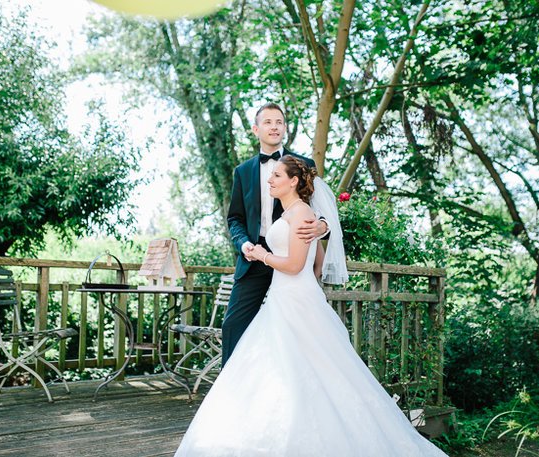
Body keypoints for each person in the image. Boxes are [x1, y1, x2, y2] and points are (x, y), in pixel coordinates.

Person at [173, 155, 448, 456]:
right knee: (290, 368)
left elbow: (292, 265)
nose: (270, 180)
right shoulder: (293, 211)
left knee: (308, 368)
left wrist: (262, 255)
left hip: (292, 297)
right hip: (290, 298)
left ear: (293, 181)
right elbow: (315, 264)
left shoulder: (302, 212)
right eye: (271, 174)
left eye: (277, 175)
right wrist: (303, 284)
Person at [224, 102, 328, 365]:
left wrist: (322, 225)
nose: (274, 127)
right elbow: (235, 218)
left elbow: (320, 209)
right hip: (254, 257)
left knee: (300, 331)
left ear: (285, 128)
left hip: (294, 254)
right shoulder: (243, 171)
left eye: (279, 122)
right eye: (268, 122)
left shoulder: (304, 164)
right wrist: (244, 244)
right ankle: (232, 393)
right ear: (256, 130)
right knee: (233, 325)